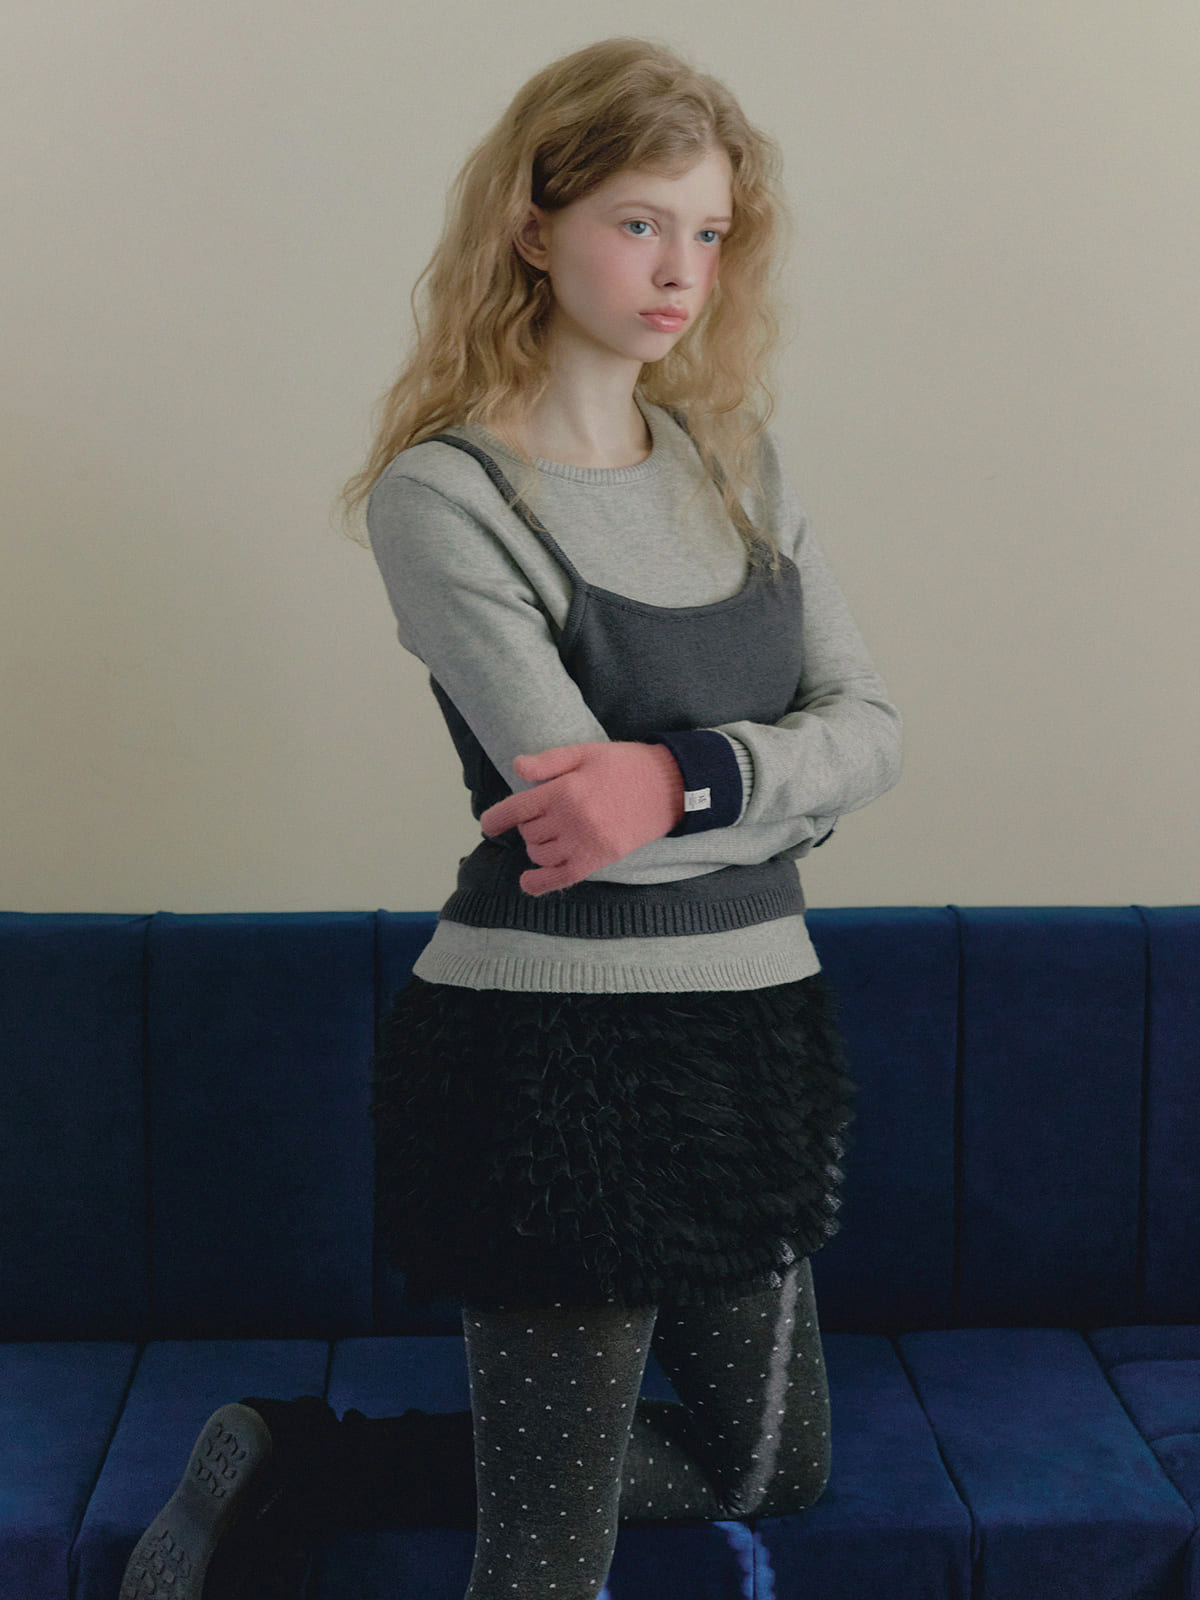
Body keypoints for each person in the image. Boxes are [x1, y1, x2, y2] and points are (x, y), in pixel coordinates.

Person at [119, 34, 902, 1600]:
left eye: (708, 231)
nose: (679, 270)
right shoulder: (447, 496)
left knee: (773, 1469)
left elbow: (872, 735)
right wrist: (766, 784)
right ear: (535, 230)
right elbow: (578, 815)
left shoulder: (740, 465)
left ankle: (306, 1465)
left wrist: (681, 780)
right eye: (639, 222)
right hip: (561, 1053)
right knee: (549, 1553)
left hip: (757, 1035)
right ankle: (321, 1474)